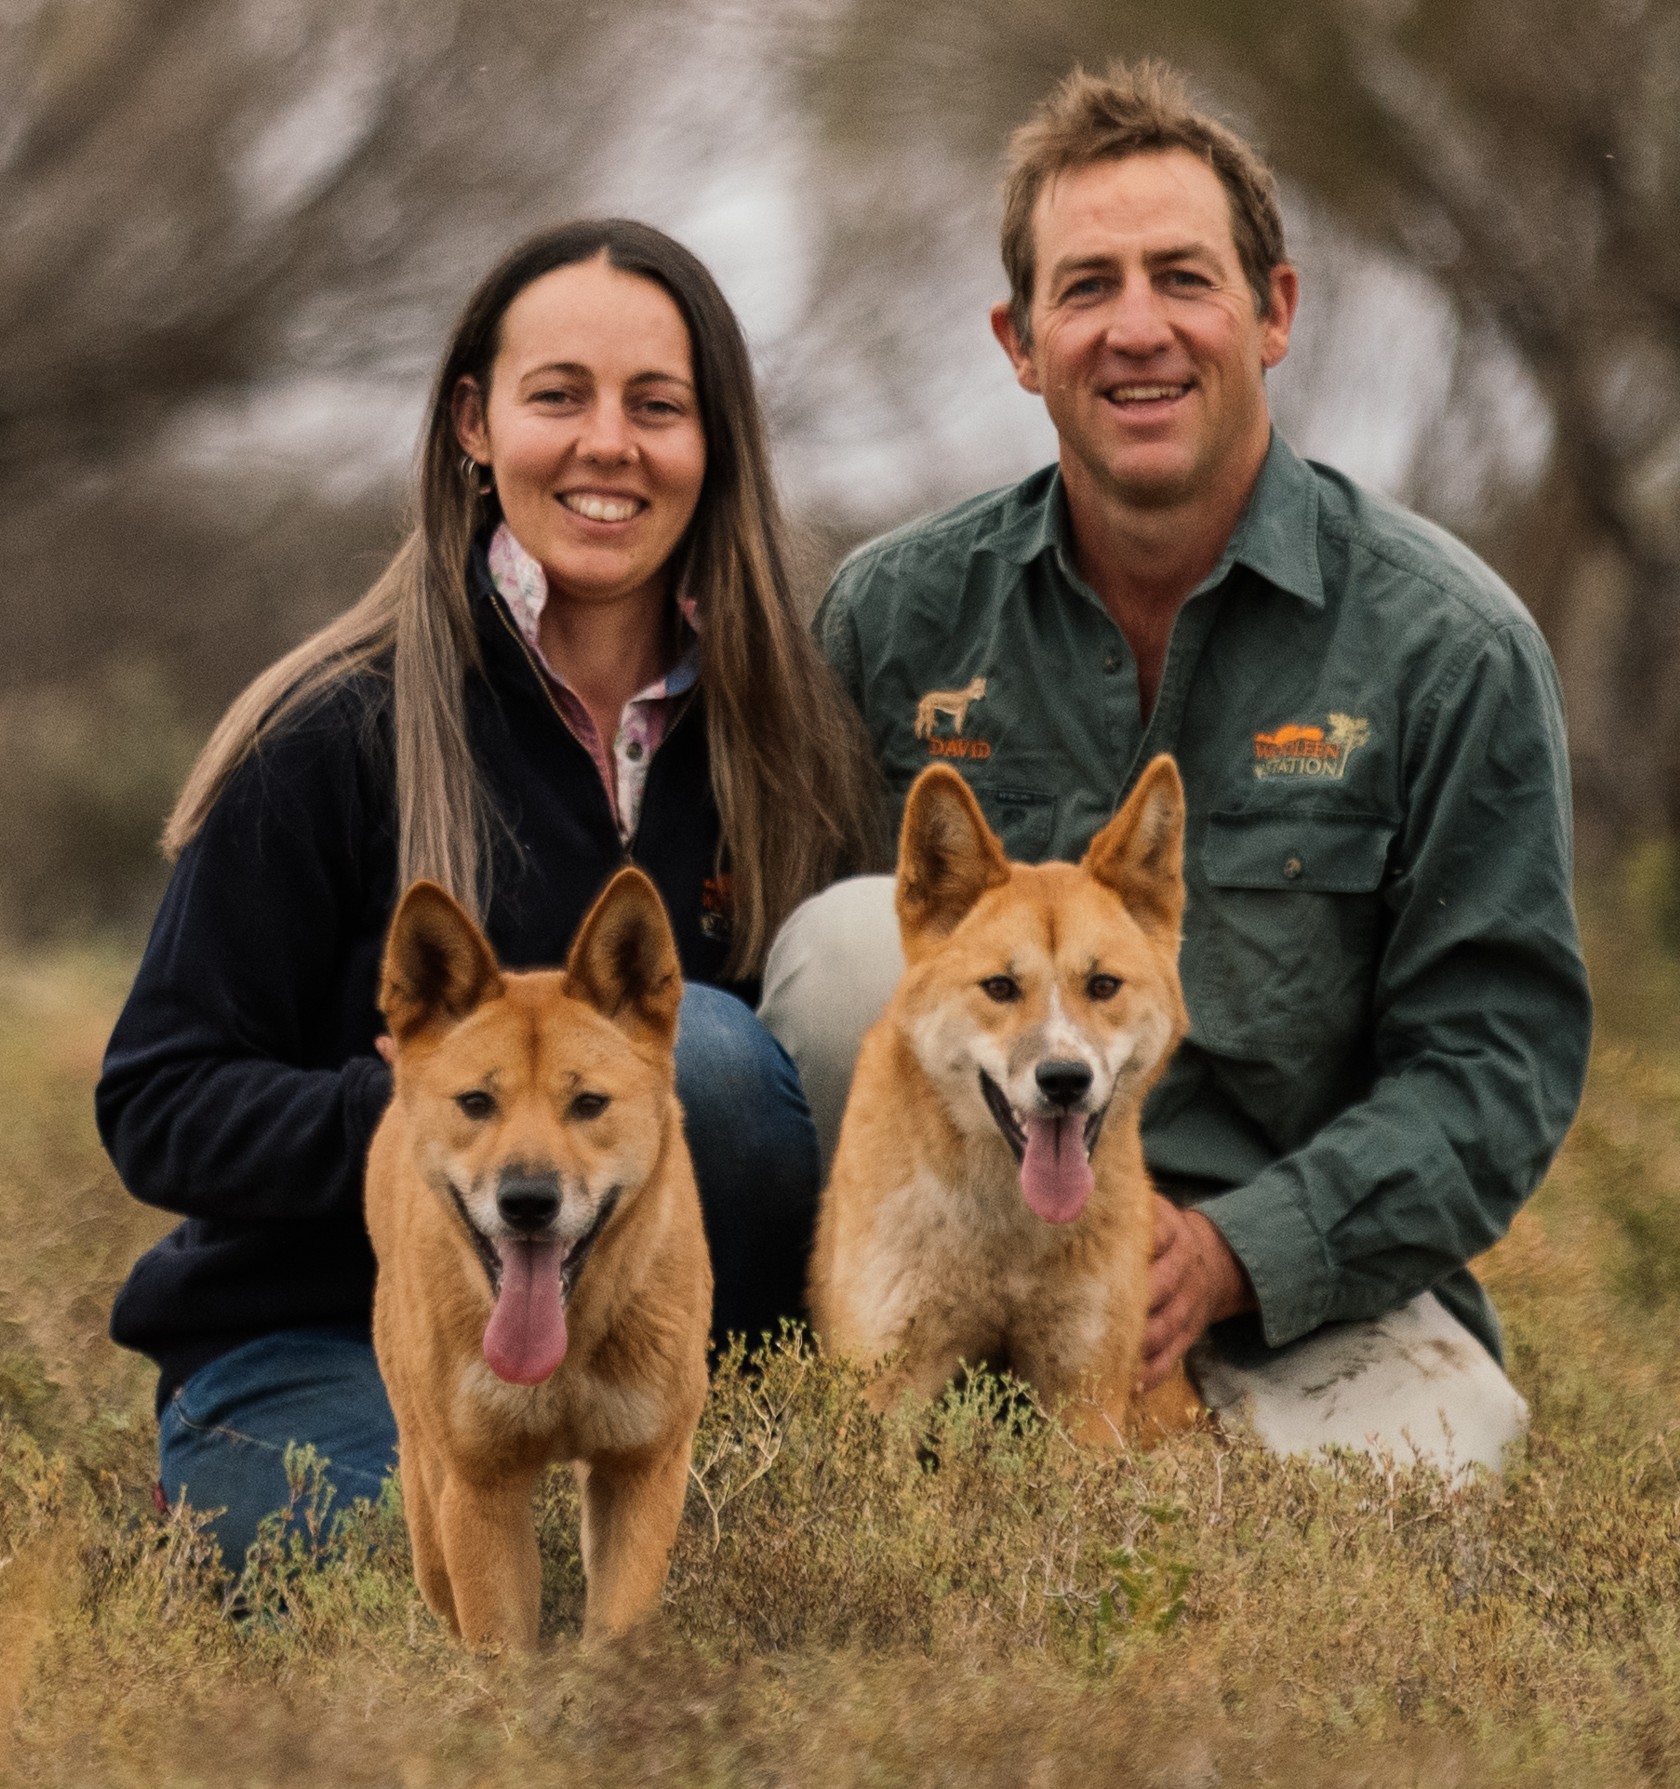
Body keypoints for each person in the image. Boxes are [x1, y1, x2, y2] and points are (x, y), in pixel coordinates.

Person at [758, 62, 1592, 1474]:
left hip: (1288, 1277)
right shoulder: (894, 619)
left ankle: (1153, 1463)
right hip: (947, 1239)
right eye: (1085, 288)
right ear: (1020, 340)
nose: (1136, 329)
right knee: (844, 943)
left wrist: (1232, 1253)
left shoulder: (1452, 649)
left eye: (1182, 279)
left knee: (1446, 1469)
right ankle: (882, 1401)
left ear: (1273, 312)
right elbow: (749, 976)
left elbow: (1492, 1065)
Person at [98, 220, 882, 1567]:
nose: (608, 445)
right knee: (411, 1574)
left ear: (718, 442)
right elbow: (156, 1100)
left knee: (708, 1058)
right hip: (326, 1329)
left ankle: (718, 1457)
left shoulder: (788, 740)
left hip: (647, 1331)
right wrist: (424, 1113)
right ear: (475, 421)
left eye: (658, 406)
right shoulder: (331, 731)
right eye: (558, 395)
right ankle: (237, 1489)